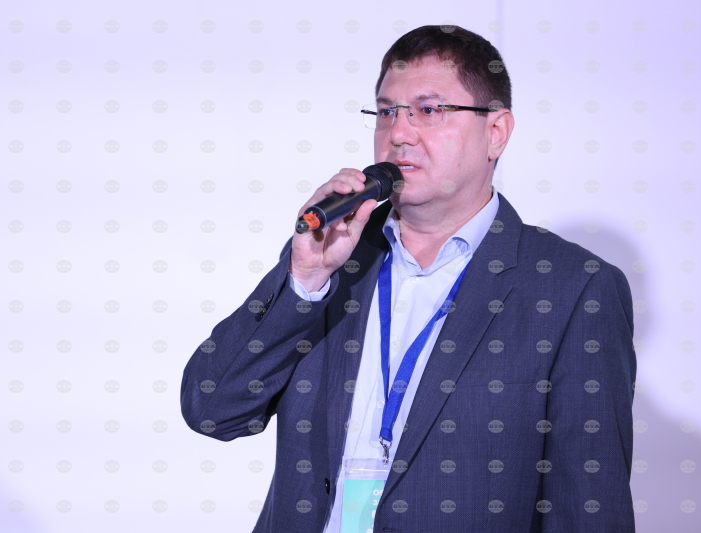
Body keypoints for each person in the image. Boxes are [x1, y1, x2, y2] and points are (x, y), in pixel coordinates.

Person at [181, 25, 636, 533]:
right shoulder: (332, 258)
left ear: (496, 132)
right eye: (386, 112)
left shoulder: (573, 288)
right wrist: (304, 279)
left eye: (429, 110)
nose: (398, 133)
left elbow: (589, 507)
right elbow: (212, 409)